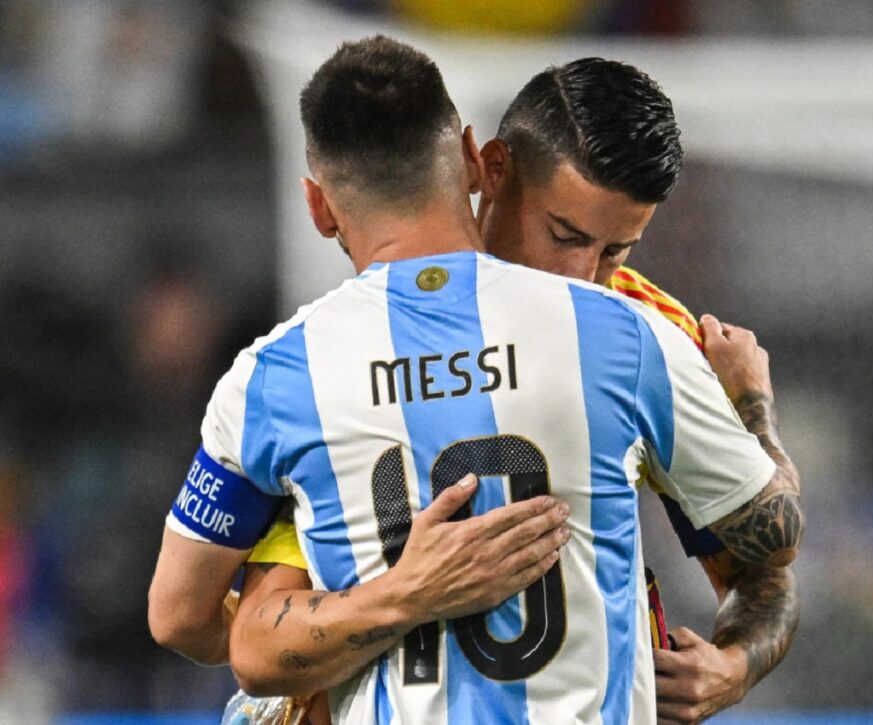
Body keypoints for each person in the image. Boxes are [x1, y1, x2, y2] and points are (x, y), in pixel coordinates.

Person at [145, 34, 800, 723]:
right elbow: (253, 638)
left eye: (615, 250)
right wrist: (755, 406)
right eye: (565, 234)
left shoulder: (310, 368)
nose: (585, 274)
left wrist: (735, 661)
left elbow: (763, 560)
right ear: (482, 165)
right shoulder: (335, 362)